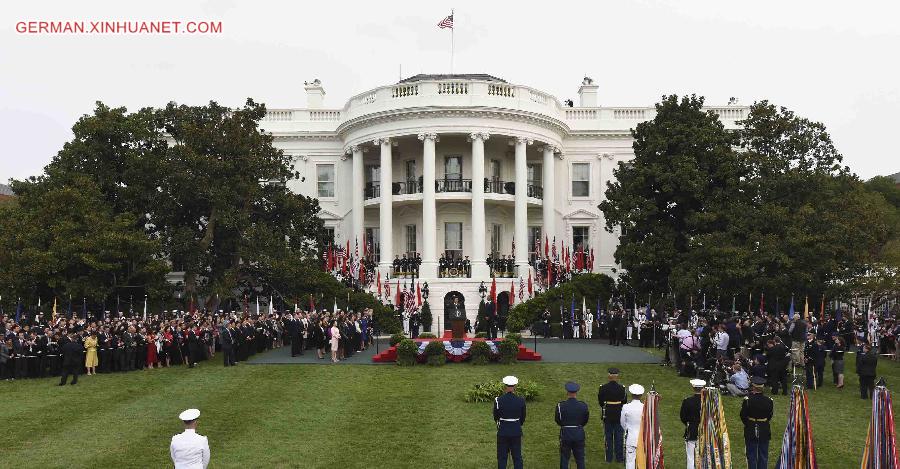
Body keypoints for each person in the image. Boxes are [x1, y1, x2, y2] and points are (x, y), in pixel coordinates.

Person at [740, 376, 773, 469]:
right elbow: (770, 415)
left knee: (751, 454)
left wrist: (749, 423)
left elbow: (743, 415)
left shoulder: (747, 400)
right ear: (762, 388)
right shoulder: (769, 401)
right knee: (763, 454)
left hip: (750, 428)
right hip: (764, 428)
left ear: (753, 387)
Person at [493, 375, 526, 469]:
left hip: (503, 431)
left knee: (502, 457)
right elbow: (523, 418)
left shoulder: (498, 400)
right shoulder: (521, 400)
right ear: (515, 386)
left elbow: (496, 417)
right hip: (516, 430)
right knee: (517, 457)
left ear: (505, 386)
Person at [556, 381, 589, 469]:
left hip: (566, 434)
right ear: (576, 393)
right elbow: (585, 420)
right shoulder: (583, 406)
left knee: (564, 458)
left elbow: (558, 420)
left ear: (567, 392)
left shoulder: (560, 405)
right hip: (579, 434)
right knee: (580, 459)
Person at [597, 367, 626, 463]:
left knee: (608, 437)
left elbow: (601, 402)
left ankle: (609, 458)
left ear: (609, 376)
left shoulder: (603, 388)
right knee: (619, 437)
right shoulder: (622, 388)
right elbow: (624, 402)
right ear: (617, 377)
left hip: (607, 414)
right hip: (619, 414)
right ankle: (619, 458)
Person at [680, 379, 704, 469]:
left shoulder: (687, 401)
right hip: (705, 431)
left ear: (693, 387)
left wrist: (689, 423)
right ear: (703, 388)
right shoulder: (707, 402)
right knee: (703, 456)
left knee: (691, 457)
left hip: (692, 430)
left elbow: (683, 417)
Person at [620, 384, 645, 469]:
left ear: (631, 394)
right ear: (641, 395)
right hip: (642, 438)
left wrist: (627, 429)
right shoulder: (644, 407)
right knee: (642, 461)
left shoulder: (626, 407)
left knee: (630, 461)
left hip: (630, 437)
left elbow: (622, 422)